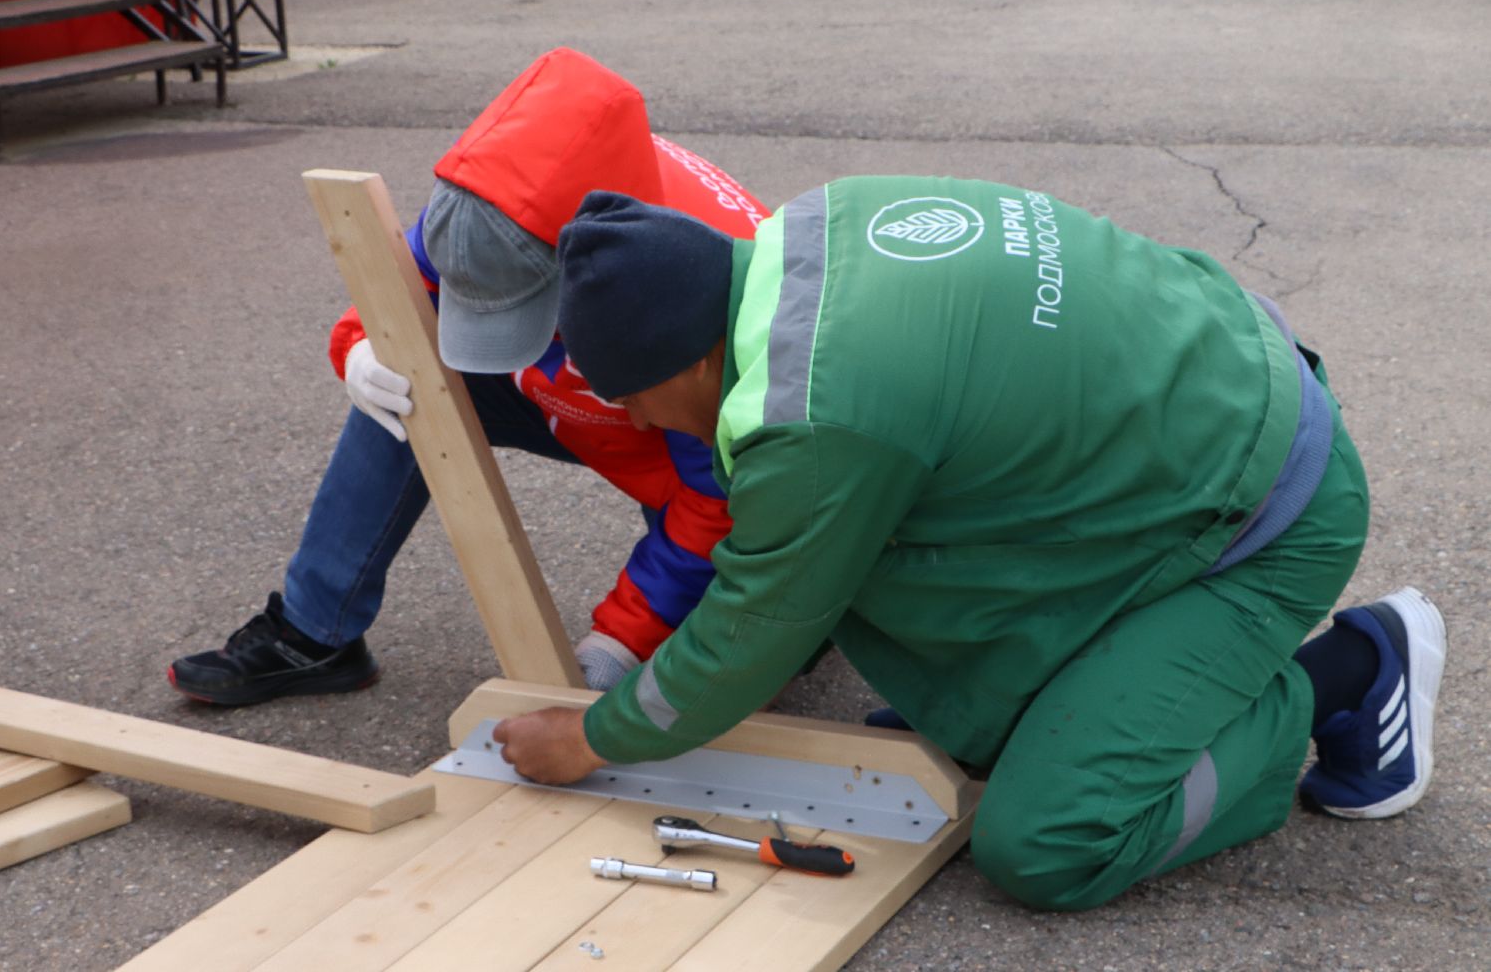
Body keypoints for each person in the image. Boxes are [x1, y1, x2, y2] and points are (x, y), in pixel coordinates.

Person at [491, 179, 1448, 911]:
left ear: (690, 359)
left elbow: (760, 619)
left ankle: (1344, 676)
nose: (646, 426)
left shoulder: (821, 413)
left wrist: (592, 737)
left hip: (1264, 516)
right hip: (1206, 410)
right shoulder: (810, 235)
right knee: (871, 563)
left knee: (1049, 841)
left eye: (636, 402)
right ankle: (1066, 704)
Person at [168, 49, 768, 704]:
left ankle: (797, 618)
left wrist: (621, 638)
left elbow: (717, 498)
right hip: (584, 392)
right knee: (400, 383)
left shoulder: (692, 296)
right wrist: (360, 346)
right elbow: (409, 280)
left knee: (737, 655)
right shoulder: (503, 196)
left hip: (700, 449)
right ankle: (313, 632)